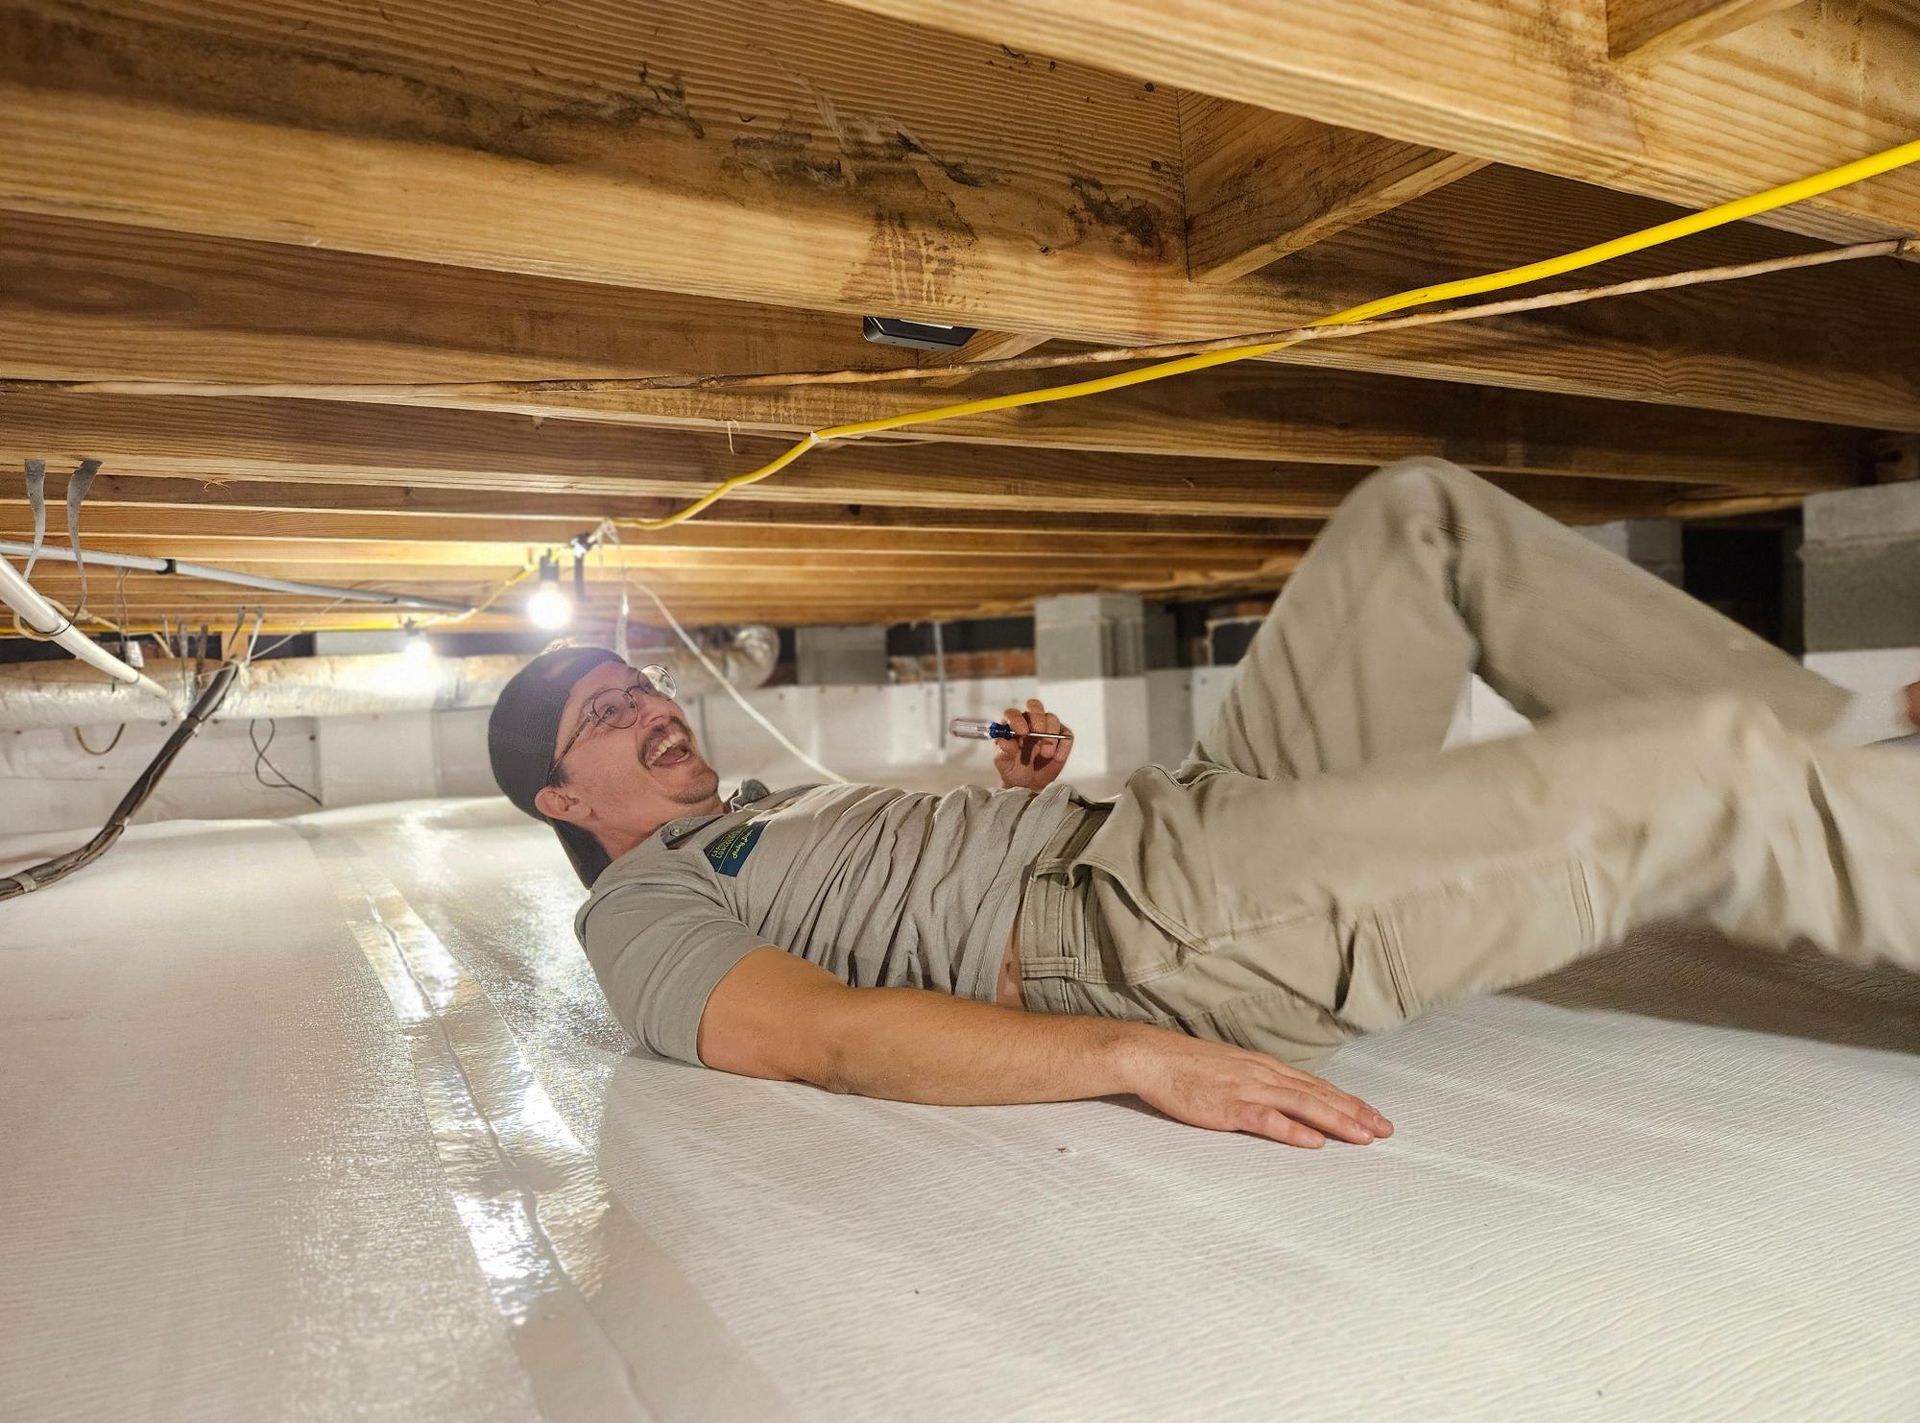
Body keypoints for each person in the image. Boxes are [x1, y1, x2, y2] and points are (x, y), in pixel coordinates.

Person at [487, 457, 1920, 1150]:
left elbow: (894, 878)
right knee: (1700, 774)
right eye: (606, 718)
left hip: (1177, 815)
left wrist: (1019, 787)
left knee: (1418, 521)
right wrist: (1133, 1057)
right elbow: (829, 1039)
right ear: (561, 793)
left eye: (642, 689)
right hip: (1151, 925)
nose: (652, 709)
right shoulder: (640, 911)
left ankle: (1862, 742)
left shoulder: (753, 811)